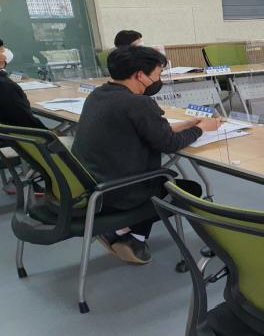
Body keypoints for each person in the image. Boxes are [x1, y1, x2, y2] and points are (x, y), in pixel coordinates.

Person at [72, 45, 221, 264]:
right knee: (187, 189)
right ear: (140, 75)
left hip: (91, 184)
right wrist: (201, 129)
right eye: (158, 75)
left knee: (158, 179)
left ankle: (121, 231)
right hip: (119, 192)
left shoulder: (98, 95)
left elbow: (149, 129)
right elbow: (169, 144)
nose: (158, 80)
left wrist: (188, 124)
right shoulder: (138, 103)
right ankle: (134, 238)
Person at [0, 52, 46, 129]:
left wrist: (17, 76)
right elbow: (23, 118)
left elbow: (10, 75)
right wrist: (49, 131)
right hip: (19, 132)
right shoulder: (5, 85)